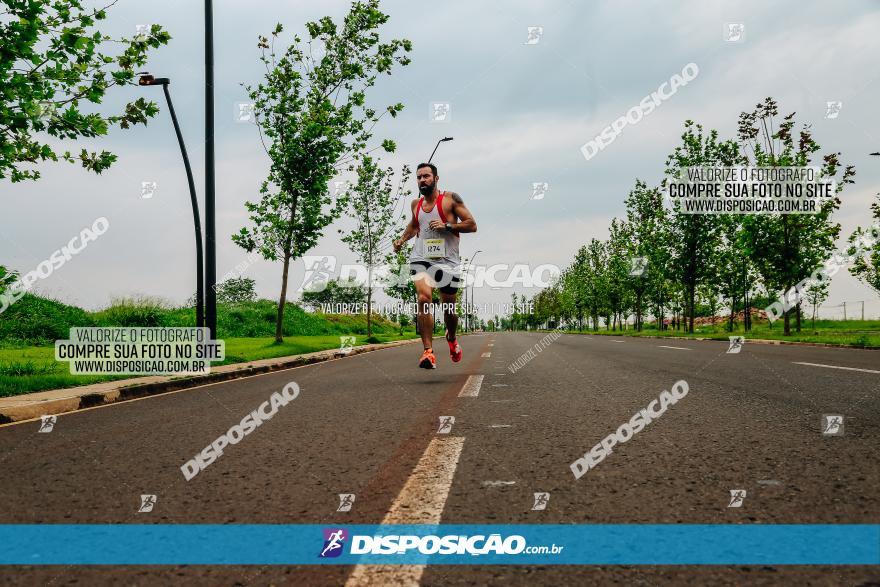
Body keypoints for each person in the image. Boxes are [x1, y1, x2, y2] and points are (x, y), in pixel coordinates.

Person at [393, 162, 477, 369]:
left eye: (426, 176)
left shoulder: (450, 200)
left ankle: (451, 337)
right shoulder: (416, 204)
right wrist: (402, 240)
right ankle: (428, 352)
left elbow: (472, 225)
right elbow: (414, 226)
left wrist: (447, 225)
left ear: (436, 179)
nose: (422, 180)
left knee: (449, 309)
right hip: (421, 259)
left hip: (448, 262)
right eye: (419, 177)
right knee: (423, 298)